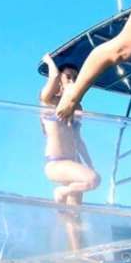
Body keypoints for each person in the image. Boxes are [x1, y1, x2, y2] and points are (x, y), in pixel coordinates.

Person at [40, 53, 100, 206]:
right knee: (93, 179)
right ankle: (61, 192)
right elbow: (53, 77)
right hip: (56, 162)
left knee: (74, 215)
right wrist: (49, 61)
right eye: (68, 76)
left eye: (75, 77)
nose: (72, 80)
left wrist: (90, 164)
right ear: (60, 78)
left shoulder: (77, 107)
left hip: (74, 162)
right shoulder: (49, 101)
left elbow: (78, 140)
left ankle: (69, 228)